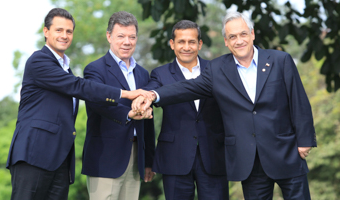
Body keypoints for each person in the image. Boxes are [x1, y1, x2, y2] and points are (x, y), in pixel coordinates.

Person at [134, 11, 317, 200]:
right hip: (249, 160)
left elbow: (299, 101)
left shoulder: (280, 60)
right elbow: (187, 88)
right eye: (232, 37)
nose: (239, 41)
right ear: (226, 42)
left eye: (243, 34)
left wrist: (305, 140)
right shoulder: (218, 69)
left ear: (252, 34)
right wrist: (153, 95)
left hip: (286, 151)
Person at [6, 8, 148, 200]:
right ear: (46, 32)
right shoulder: (39, 61)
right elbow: (79, 86)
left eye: (69, 31)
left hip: (59, 160)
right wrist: (125, 94)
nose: (64, 35)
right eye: (59, 30)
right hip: (34, 155)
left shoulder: (66, 68)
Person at [143, 20, 229, 200]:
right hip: (175, 157)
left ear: (200, 44)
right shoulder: (160, 73)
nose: (186, 47)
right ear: (172, 44)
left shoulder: (217, 70)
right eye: (181, 42)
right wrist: (144, 99)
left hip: (214, 155)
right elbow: (151, 94)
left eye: (191, 42)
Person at [81, 11, 155, 200]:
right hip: (105, 159)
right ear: (109, 36)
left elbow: (148, 122)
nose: (127, 42)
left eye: (131, 37)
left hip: (136, 158)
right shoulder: (94, 70)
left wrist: (149, 161)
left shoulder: (143, 74)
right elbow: (98, 103)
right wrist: (129, 113)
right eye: (121, 36)